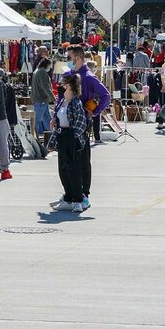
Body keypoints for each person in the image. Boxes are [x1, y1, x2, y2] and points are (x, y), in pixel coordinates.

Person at [63, 44, 110, 208]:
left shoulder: (88, 77)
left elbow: (105, 96)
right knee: (65, 161)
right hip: (65, 124)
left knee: (82, 160)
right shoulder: (68, 74)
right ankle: (70, 194)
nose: (66, 60)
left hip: (82, 124)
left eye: (68, 57)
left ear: (78, 58)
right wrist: (56, 115)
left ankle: (84, 194)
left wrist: (94, 112)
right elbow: (61, 98)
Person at [48, 73, 88, 212]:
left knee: (73, 170)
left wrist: (73, 137)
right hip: (62, 136)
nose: (61, 85)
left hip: (71, 137)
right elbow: (58, 117)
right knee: (63, 169)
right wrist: (54, 121)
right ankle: (68, 198)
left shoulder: (76, 102)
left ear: (69, 85)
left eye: (64, 83)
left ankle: (78, 200)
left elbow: (81, 122)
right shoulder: (62, 101)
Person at [30, 47, 55, 156]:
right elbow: (46, 88)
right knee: (38, 120)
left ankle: (51, 138)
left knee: (47, 119)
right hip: (42, 99)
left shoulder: (36, 72)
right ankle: (36, 138)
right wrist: (53, 98)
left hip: (39, 99)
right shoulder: (42, 73)